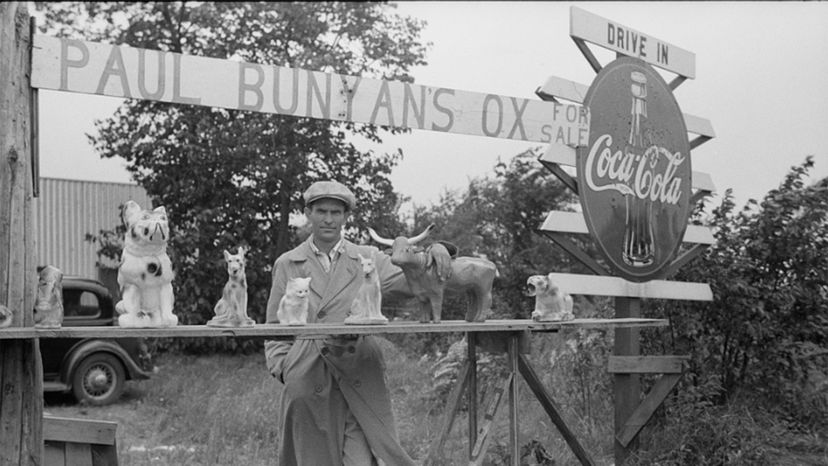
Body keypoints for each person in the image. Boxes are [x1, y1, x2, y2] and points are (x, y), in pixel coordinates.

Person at [264, 180, 452, 466]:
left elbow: (415, 276)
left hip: (360, 374)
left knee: (362, 460)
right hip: (308, 378)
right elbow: (274, 329)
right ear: (308, 213)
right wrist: (286, 370)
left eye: (336, 213)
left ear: (346, 217)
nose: (329, 219)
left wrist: (437, 250)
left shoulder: (369, 258)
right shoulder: (288, 263)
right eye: (322, 211)